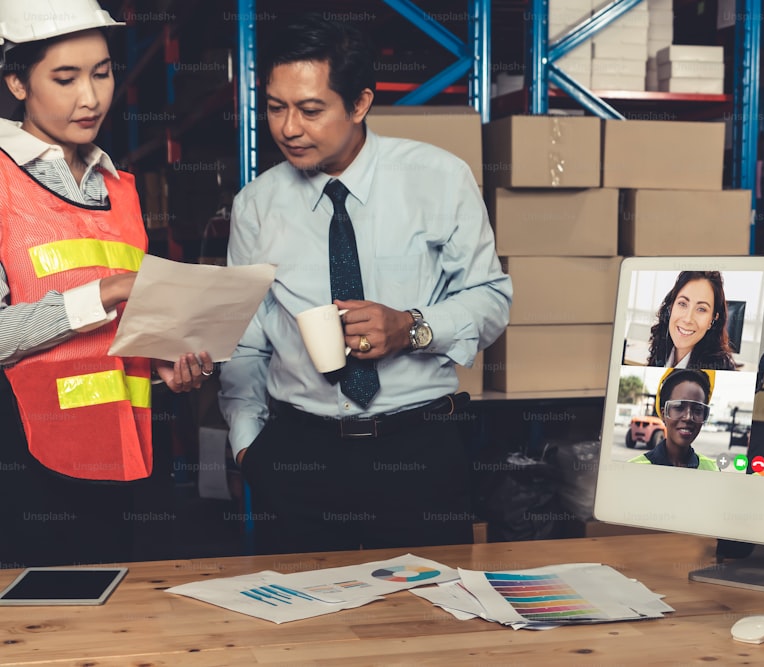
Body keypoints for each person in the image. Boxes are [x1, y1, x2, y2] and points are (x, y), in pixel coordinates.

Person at [218, 14, 512, 556]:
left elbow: (492, 299)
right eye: (275, 107)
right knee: (300, 631)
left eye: (310, 110)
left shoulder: (439, 178)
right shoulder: (255, 206)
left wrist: (412, 328)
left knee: (432, 628)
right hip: (297, 457)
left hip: (418, 455)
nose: (288, 128)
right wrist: (246, 446)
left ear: (359, 104)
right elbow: (245, 342)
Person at [0, 0, 212, 567]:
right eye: (64, 78)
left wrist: (165, 360)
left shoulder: (120, 187)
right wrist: (108, 292)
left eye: (102, 72)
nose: (90, 97)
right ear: (17, 81)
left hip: (127, 459)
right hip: (25, 463)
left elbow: (121, 331)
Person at [630, 368, 719, 470]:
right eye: (679, 407)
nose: (688, 417)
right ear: (664, 414)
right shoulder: (634, 468)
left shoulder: (712, 468)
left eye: (697, 410)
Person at [647, 271, 736, 370]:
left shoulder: (720, 370)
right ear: (671, 307)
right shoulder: (660, 349)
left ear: (713, 319)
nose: (688, 319)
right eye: (682, 304)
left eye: (701, 309)